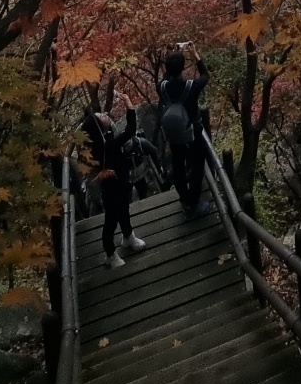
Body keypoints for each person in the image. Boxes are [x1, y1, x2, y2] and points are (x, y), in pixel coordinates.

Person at [81, 89, 147, 269]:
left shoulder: (107, 136)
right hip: (110, 186)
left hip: (121, 178)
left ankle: (128, 236)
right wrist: (129, 106)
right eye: (101, 116)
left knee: (124, 208)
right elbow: (130, 130)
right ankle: (109, 253)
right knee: (111, 218)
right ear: (98, 128)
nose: (105, 115)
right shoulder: (105, 146)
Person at [157, 40, 211, 219]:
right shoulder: (191, 86)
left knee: (178, 166)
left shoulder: (162, 87)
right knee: (197, 166)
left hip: (174, 135)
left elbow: (166, 77)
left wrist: (170, 58)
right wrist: (195, 55)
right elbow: (205, 76)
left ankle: (185, 200)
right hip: (193, 132)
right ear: (182, 67)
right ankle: (193, 204)